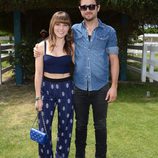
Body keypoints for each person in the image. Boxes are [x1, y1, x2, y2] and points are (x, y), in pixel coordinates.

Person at [72, 0, 119, 158]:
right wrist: (39, 47)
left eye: (91, 6)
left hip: (101, 88)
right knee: (80, 127)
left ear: (98, 8)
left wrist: (114, 86)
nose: (88, 10)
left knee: (100, 127)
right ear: (80, 10)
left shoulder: (109, 31)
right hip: (79, 87)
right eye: (84, 7)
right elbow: (56, 42)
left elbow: (114, 59)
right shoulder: (73, 30)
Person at [34, 11, 74, 158]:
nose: (61, 28)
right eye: (58, 24)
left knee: (66, 128)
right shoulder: (41, 46)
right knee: (44, 129)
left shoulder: (72, 46)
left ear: (69, 27)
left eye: (65, 25)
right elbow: (38, 74)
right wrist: (38, 97)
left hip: (67, 89)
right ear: (52, 25)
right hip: (46, 89)